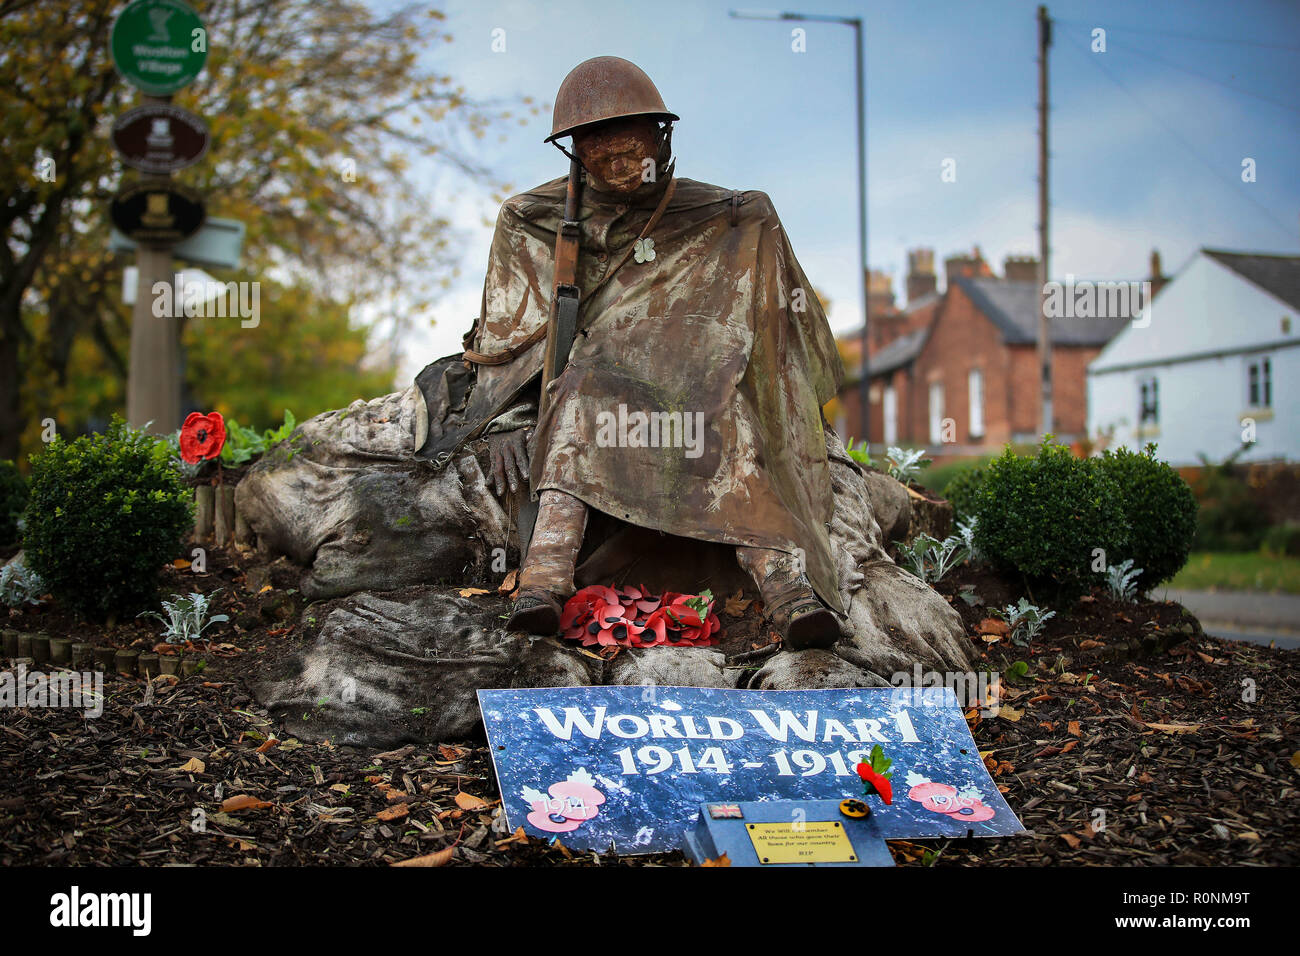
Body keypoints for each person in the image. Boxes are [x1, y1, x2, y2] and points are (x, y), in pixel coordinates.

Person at [433, 56, 850, 649]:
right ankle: (543, 581)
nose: (617, 160)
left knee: (732, 417)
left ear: (661, 137)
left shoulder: (724, 215)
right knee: (576, 398)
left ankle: (787, 591)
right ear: (577, 151)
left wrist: (781, 395)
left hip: (694, 380)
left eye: (630, 145)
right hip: (599, 378)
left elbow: (770, 317)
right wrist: (510, 414)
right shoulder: (536, 219)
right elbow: (512, 326)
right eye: (598, 147)